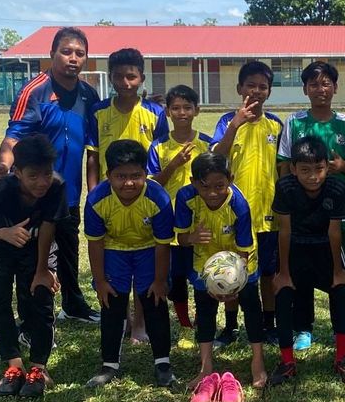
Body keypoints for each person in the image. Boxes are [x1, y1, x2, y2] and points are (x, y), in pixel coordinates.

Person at [0, 26, 101, 325]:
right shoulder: (35, 90)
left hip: (69, 191)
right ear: (52, 54)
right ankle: (33, 317)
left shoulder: (88, 93)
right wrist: (6, 166)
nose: (73, 58)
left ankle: (73, 304)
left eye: (79, 54)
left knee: (68, 247)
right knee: (35, 255)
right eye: (66, 52)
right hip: (36, 193)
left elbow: (94, 142)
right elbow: (13, 136)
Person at [0, 135, 67, 398]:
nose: (42, 182)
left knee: (41, 297)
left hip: (36, 250)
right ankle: (13, 365)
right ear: (17, 172)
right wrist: (3, 232)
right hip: (0, 249)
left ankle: (39, 367)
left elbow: (47, 228)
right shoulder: (3, 190)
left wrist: (43, 270)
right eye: (33, 176)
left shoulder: (56, 187)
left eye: (46, 174)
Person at [87, 47, 168, 344]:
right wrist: (94, 191)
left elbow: (160, 155)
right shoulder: (98, 112)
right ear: (110, 78)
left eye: (131, 76)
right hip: (110, 194)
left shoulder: (156, 113)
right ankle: (122, 318)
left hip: (144, 192)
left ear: (141, 78)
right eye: (119, 76)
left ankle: (139, 324)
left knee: (143, 257)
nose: (125, 82)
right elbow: (93, 156)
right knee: (114, 259)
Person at [276, 62, 345, 351]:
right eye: (314, 84)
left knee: (341, 265)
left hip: (336, 205)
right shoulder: (294, 122)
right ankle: (302, 328)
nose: (320, 89)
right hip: (300, 209)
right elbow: (285, 164)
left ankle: (344, 327)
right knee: (302, 268)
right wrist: (289, 199)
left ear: (335, 87)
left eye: (326, 83)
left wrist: (342, 166)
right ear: (305, 89)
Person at [267, 135, 345, 386]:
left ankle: (342, 357)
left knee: (341, 291)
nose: (312, 176)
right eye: (305, 170)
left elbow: (334, 231)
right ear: (294, 169)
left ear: (327, 167)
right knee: (284, 294)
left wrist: (339, 271)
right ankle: (286, 361)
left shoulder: (336, 188)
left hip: (325, 248)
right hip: (295, 247)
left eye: (318, 169)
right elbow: (284, 231)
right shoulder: (285, 187)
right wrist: (283, 273)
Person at [83, 140, 175, 388]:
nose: (129, 183)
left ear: (146, 174)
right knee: (111, 302)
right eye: (120, 176)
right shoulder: (96, 199)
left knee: (154, 301)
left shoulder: (158, 198)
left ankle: (162, 364)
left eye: (136, 175)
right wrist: (100, 281)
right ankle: (109, 364)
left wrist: (159, 280)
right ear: (108, 176)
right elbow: (96, 243)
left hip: (148, 249)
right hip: (115, 249)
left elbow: (163, 244)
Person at [176, 153, 266, 402]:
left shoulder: (239, 204)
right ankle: (205, 367)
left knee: (250, 303)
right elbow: (181, 239)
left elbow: (244, 250)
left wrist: (233, 283)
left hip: (238, 260)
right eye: (205, 186)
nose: (213, 193)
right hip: (203, 260)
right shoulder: (185, 198)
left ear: (230, 180)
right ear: (194, 182)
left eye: (219, 186)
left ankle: (257, 361)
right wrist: (193, 237)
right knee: (205, 308)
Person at [212, 61, 284, 347]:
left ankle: (269, 324)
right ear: (239, 88)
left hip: (268, 214)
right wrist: (235, 125)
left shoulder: (276, 125)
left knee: (267, 272)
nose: (256, 91)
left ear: (269, 91)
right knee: (231, 269)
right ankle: (230, 327)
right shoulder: (227, 122)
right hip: (234, 214)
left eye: (262, 86)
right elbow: (216, 156)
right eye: (250, 85)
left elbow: (284, 169)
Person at [147, 85, 212, 339]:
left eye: (187, 107)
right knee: (176, 277)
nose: (181, 112)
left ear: (197, 110)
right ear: (167, 112)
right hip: (170, 222)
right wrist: (174, 164)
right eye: (176, 108)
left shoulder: (207, 143)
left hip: (201, 223)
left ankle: (203, 322)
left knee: (200, 274)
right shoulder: (159, 146)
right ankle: (185, 324)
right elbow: (153, 186)